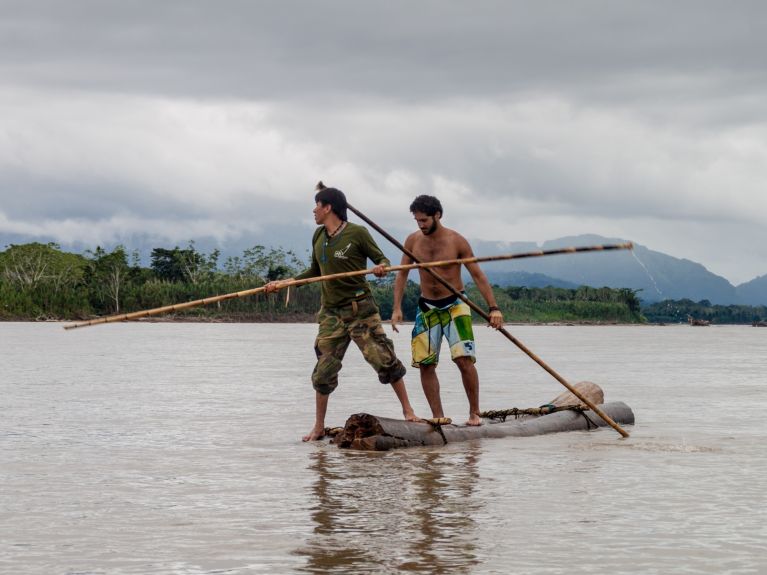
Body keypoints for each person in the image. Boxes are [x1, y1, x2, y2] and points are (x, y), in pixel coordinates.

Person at [265, 182, 419, 441]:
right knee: (323, 370)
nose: (314, 211)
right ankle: (318, 426)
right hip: (330, 313)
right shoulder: (318, 237)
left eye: (317, 205)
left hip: (360, 310)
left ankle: (408, 411)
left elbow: (382, 260)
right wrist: (286, 283)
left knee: (383, 359)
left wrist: (380, 268)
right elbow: (315, 273)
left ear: (329, 208)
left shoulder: (357, 233)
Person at [391, 195, 503, 426]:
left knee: (464, 360)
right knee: (425, 363)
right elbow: (402, 273)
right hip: (427, 307)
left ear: (437, 215)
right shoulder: (412, 241)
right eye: (417, 221)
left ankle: (474, 414)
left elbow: (478, 275)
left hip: (456, 304)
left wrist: (494, 308)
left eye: (424, 220)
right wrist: (396, 308)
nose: (420, 225)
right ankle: (438, 417)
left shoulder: (457, 241)